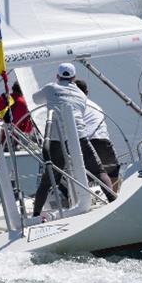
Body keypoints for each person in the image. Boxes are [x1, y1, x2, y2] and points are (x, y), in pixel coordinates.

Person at [31, 63, 116, 217]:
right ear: (74, 77)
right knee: (99, 170)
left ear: (57, 76)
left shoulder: (51, 88)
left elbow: (35, 100)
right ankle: (114, 203)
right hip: (79, 137)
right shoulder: (81, 95)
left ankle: (36, 215)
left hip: (56, 139)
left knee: (49, 177)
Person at [75, 79, 121, 192]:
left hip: (85, 144)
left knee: (72, 176)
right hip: (103, 142)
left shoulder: (73, 105)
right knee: (112, 171)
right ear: (87, 92)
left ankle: (75, 200)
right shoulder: (96, 106)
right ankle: (115, 198)